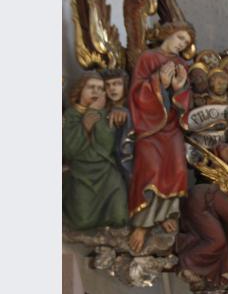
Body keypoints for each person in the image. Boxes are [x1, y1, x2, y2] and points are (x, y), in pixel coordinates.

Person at [127, 21, 195, 253]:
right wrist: (159, 82)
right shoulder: (148, 58)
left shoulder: (180, 64)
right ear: (168, 34)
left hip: (172, 126)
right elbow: (136, 91)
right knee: (150, 169)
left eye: (186, 43)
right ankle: (143, 223)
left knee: (175, 170)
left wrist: (178, 88)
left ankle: (166, 213)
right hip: (150, 127)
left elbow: (186, 98)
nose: (181, 44)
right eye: (179, 38)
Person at [63, 72, 129, 230]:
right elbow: (68, 151)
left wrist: (95, 112)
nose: (96, 92)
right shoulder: (71, 115)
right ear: (80, 90)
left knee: (120, 218)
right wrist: (84, 126)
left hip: (107, 173)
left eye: (100, 88)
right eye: (91, 87)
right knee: (83, 222)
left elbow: (107, 145)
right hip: (82, 174)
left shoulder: (106, 114)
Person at [100, 68, 135, 183]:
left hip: (130, 159)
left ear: (125, 85)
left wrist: (126, 114)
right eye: (108, 85)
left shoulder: (133, 106)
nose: (112, 89)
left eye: (117, 84)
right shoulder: (101, 108)